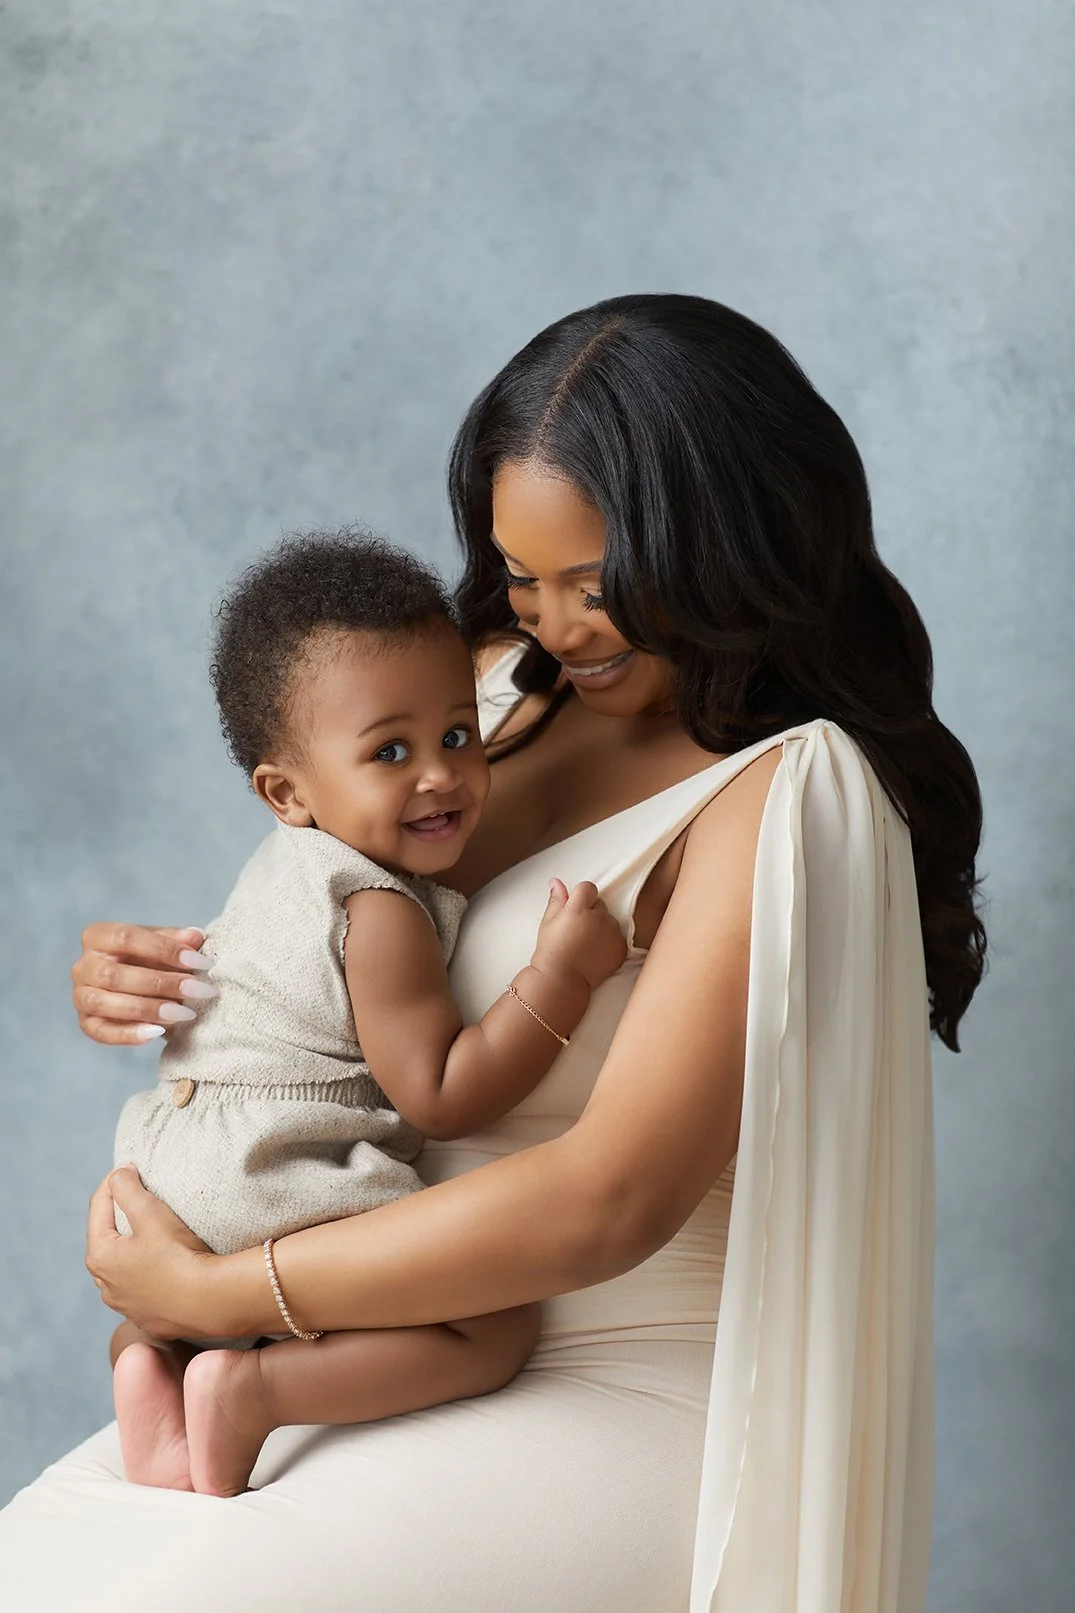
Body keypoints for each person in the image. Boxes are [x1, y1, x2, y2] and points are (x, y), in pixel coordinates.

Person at [0, 294, 985, 1613]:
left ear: (726, 542)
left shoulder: (784, 790)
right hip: (368, 1334)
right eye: (522, 574)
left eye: (595, 581)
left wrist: (231, 1288)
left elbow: (606, 1201)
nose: (556, 625)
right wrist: (155, 983)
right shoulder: (480, 690)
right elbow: (334, 949)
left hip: (615, 1376)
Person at [108, 529, 626, 1499]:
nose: (439, 773)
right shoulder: (378, 907)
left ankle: (153, 1355)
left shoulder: (275, 872)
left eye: (458, 735)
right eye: (390, 750)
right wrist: (561, 975)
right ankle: (251, 1388)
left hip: (168, 1167)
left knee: (197, 1302)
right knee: (493, 1322)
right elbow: (440, 1093)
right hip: (275, 1164)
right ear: (286, 791)